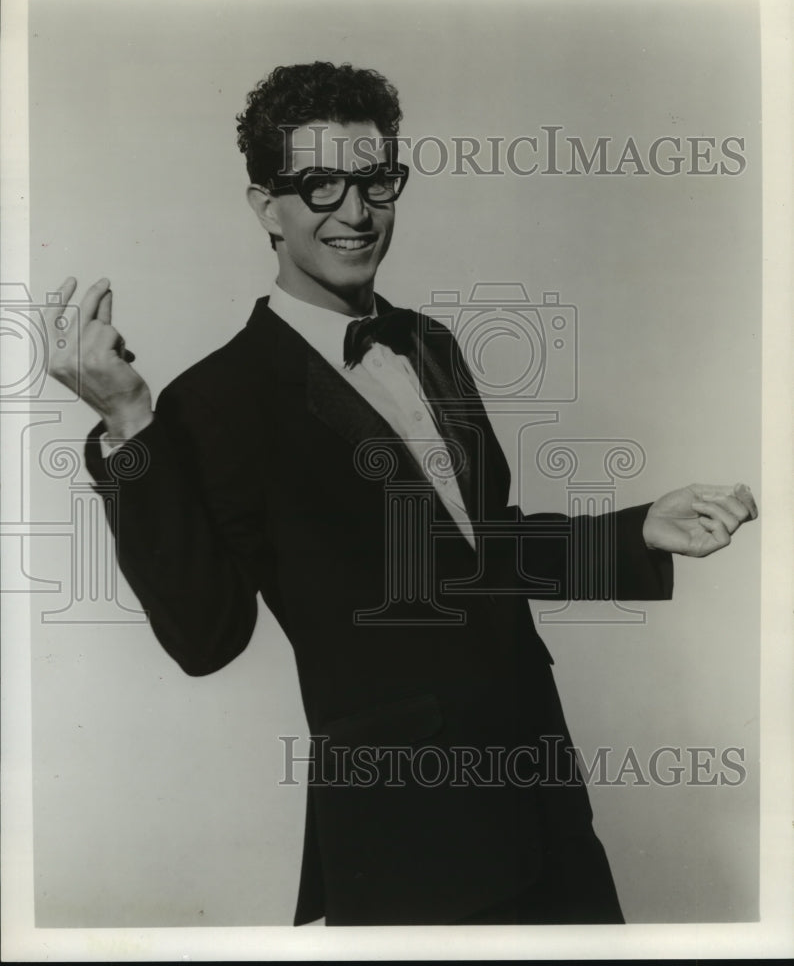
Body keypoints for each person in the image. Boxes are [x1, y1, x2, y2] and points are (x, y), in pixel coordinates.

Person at [45, 61, 757, 926]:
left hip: (541, 794)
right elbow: (206, 637)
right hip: (403, 837)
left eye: (376, 179)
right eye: (319, 185)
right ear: (265, 207)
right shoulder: (211, 406)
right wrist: (128, 422)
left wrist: (639, 529)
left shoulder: (431, 344)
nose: (355, 211)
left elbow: (476, 553)